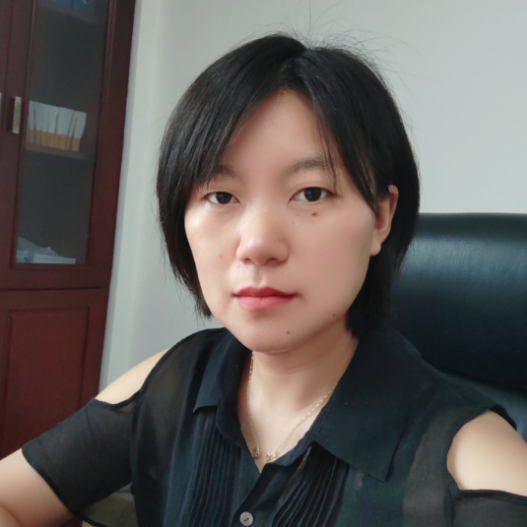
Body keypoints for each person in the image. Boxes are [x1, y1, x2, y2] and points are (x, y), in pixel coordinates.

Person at [1, 34, 527, 527]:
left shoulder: (473, 468)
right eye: (221, 196)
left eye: (311, 193)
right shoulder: (172, 385)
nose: (256, 244)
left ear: (381, 217)